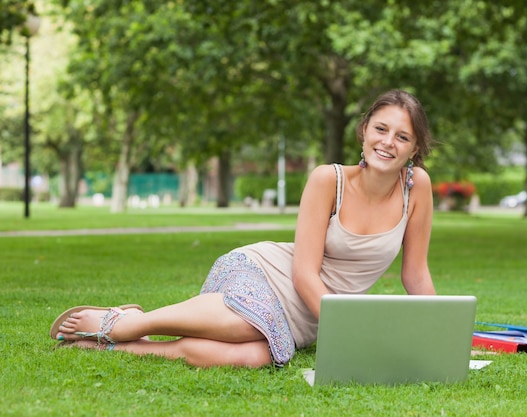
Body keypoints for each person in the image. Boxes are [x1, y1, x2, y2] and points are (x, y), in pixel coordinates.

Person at [50, 89, 436, 368]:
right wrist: (349, 327)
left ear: (414, 148)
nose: (388, 142)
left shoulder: (416, 187)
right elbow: (303, 273)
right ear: (364, 130)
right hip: (270, 274)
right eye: (381, 129)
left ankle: (119, 348)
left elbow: (415, 273)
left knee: (252, 356)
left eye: (402, 136)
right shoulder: (327, 179)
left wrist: (437, 334)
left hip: (315, 315)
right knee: (244, 324)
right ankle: (124, 324)